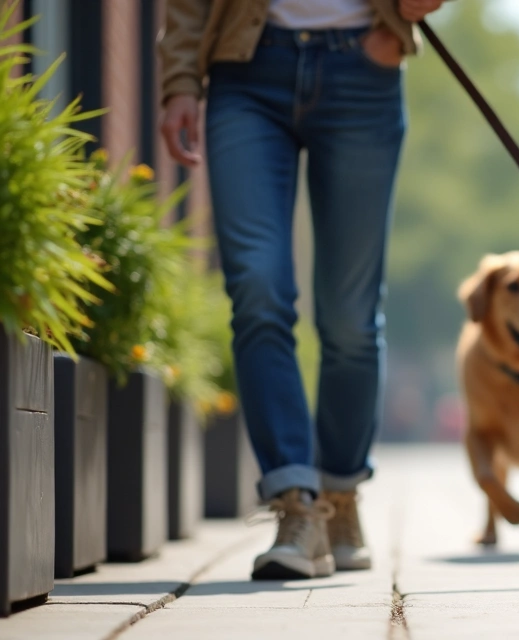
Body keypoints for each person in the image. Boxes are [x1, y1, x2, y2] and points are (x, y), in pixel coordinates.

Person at [158, 0, 445, 580]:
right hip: (245, 70)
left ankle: (339, 495)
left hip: (363, 67)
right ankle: (296, 507)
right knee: (258, 289)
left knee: (351, 317)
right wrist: (180, 79)